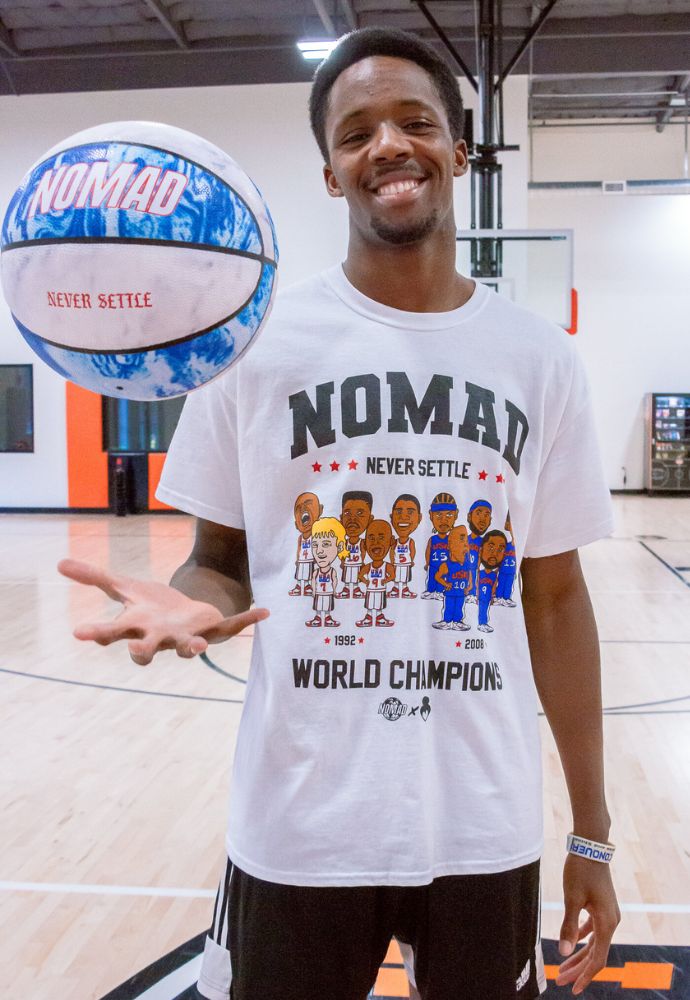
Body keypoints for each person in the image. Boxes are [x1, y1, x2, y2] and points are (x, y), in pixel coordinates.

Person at [58, 26, 620, 1000]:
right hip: (301, 824)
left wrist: (591, 832)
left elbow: (559, 601)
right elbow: (217, 557)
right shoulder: (253, 343)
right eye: (356, 133)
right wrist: (193, 602)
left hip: (484, 822)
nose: (388, 145)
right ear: (330, 173)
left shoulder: (541, 360)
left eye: (414, 121)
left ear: (458, 145)